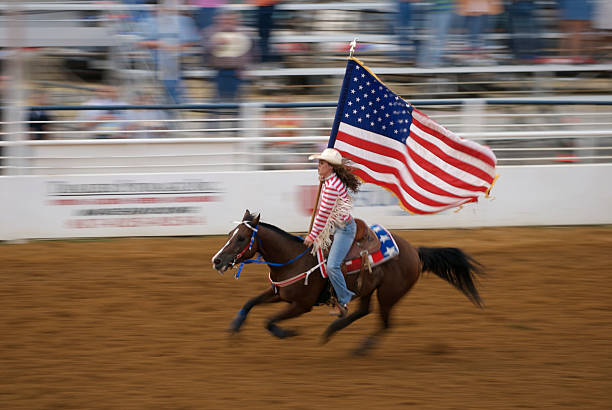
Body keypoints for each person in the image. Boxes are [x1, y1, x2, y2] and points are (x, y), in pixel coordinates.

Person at [304, 148, 362, 317]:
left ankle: (343, 300)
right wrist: (322, 178)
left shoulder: (331, 187)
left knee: (332, 266)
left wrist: (312, 236)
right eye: (319, 163)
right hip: (336, 226)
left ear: (330, 167)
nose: (318, 166)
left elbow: (322, 215)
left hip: (344, 229)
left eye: (322, 163)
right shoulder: (330, 181)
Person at [137, 0, 200, 104]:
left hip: (178, 58)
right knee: (168, 63)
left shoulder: (183, 20)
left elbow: (193, 41)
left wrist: (177, 47)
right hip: (160, 58)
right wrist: (161, 44)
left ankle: (174, 100)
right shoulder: (150, 21)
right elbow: (140, 42)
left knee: (170, 64)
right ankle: (176, 99)